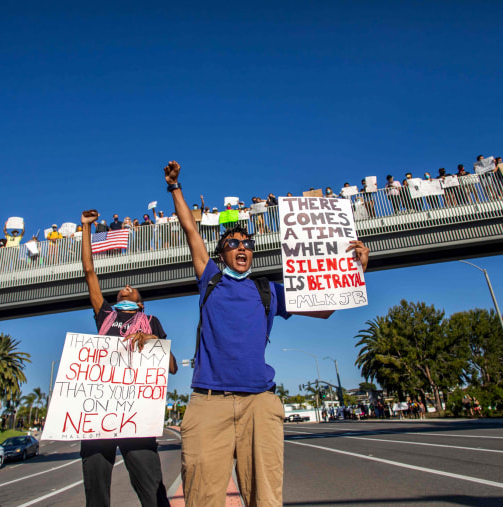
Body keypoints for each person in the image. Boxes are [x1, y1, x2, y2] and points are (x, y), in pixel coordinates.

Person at [162, 160, 369, 506]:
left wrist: (357, 270)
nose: (242, 247)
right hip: (208, 402)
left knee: (266, 498)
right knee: (201, 496)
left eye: (248, 243)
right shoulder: (210, 279)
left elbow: (326, 307)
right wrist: (175, 187)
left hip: (259, 403)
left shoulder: (269, 291)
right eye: (233, 243)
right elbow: (190, 231)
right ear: (221, 255)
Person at [79, 209, 178, 507]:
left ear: (140, 301)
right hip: (99, 414)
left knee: (152, 491)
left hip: (135, 417)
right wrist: (87, 228)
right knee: (95, 493)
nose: (126, 286)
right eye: (123, 286)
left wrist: (152, 340)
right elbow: (89, 272)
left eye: (132, 288)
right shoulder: (106, 315)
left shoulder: (152, 322)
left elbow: (171, 367)